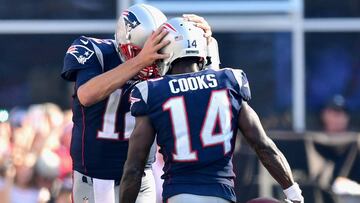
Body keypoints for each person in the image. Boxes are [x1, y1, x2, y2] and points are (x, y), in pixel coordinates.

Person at [119, 17, 304, 203]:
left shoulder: (152, 91)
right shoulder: (229, 81)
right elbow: (263, 146)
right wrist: (293, 193)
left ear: (167, 52)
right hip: (221, 195)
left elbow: (135, 167)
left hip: (179, 194)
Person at [61, 3, 216, 203]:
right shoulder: (95, 50)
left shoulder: (162, 61)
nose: (151, 64)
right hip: (93, 176)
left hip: (140, 174)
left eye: (155, 54)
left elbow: (201, 93)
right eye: (140, 52)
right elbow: (86, 95)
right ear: (123, 42)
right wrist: (140, 61)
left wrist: (206, 46)